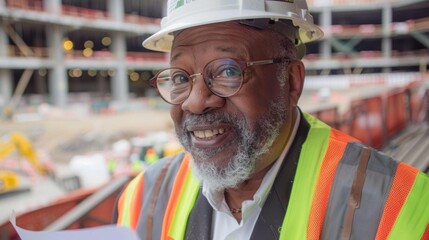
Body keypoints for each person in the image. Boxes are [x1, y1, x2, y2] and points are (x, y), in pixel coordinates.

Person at [114, 0, 429, 239]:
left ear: (291, 81)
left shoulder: (397, 207)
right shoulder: (142, 201)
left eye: (227, 71)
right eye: (181, 77)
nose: (196, 102)